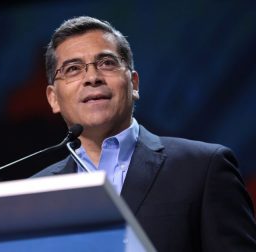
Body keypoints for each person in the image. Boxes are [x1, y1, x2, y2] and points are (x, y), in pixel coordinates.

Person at [34, 16, 256, 251]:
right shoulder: (36, 193)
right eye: (73, 69)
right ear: (54, 98)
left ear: (134, 84)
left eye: (107, 63)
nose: (92, 77)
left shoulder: (203, 167)